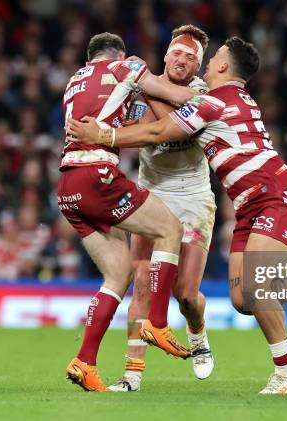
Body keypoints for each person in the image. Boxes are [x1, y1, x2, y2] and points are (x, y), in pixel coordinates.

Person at [67, 36, 287, 394]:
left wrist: (102, 134)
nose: (205, 60)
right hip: (247, 205)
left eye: (211, 56)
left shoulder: (213, 100)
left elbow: (158, 130)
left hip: (274, 197)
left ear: (221, 67)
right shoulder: (221, 98)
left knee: (251, 286)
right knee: (244, 299)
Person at [59, 32, 200, 392]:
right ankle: (157, 322)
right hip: (98, 175)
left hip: (68, 186)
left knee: (118, 274)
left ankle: (84, 362)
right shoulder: (125, 67)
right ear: (118, 54)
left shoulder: (73, 82)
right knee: (168, 229)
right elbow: (179, 96)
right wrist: (206, 97)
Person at [109, 25, 215, 393]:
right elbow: (131, 129)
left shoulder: (202, 93)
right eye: (178, 53)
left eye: (192, 57)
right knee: (141, 282)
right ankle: (132, 374)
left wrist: (145, 85)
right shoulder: (140, 85)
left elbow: (174, 130)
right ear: (166, 55)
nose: (183, 60)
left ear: (199, 68)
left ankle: (197, 332)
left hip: (193, 197)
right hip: (151, 193)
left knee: (186, 294)